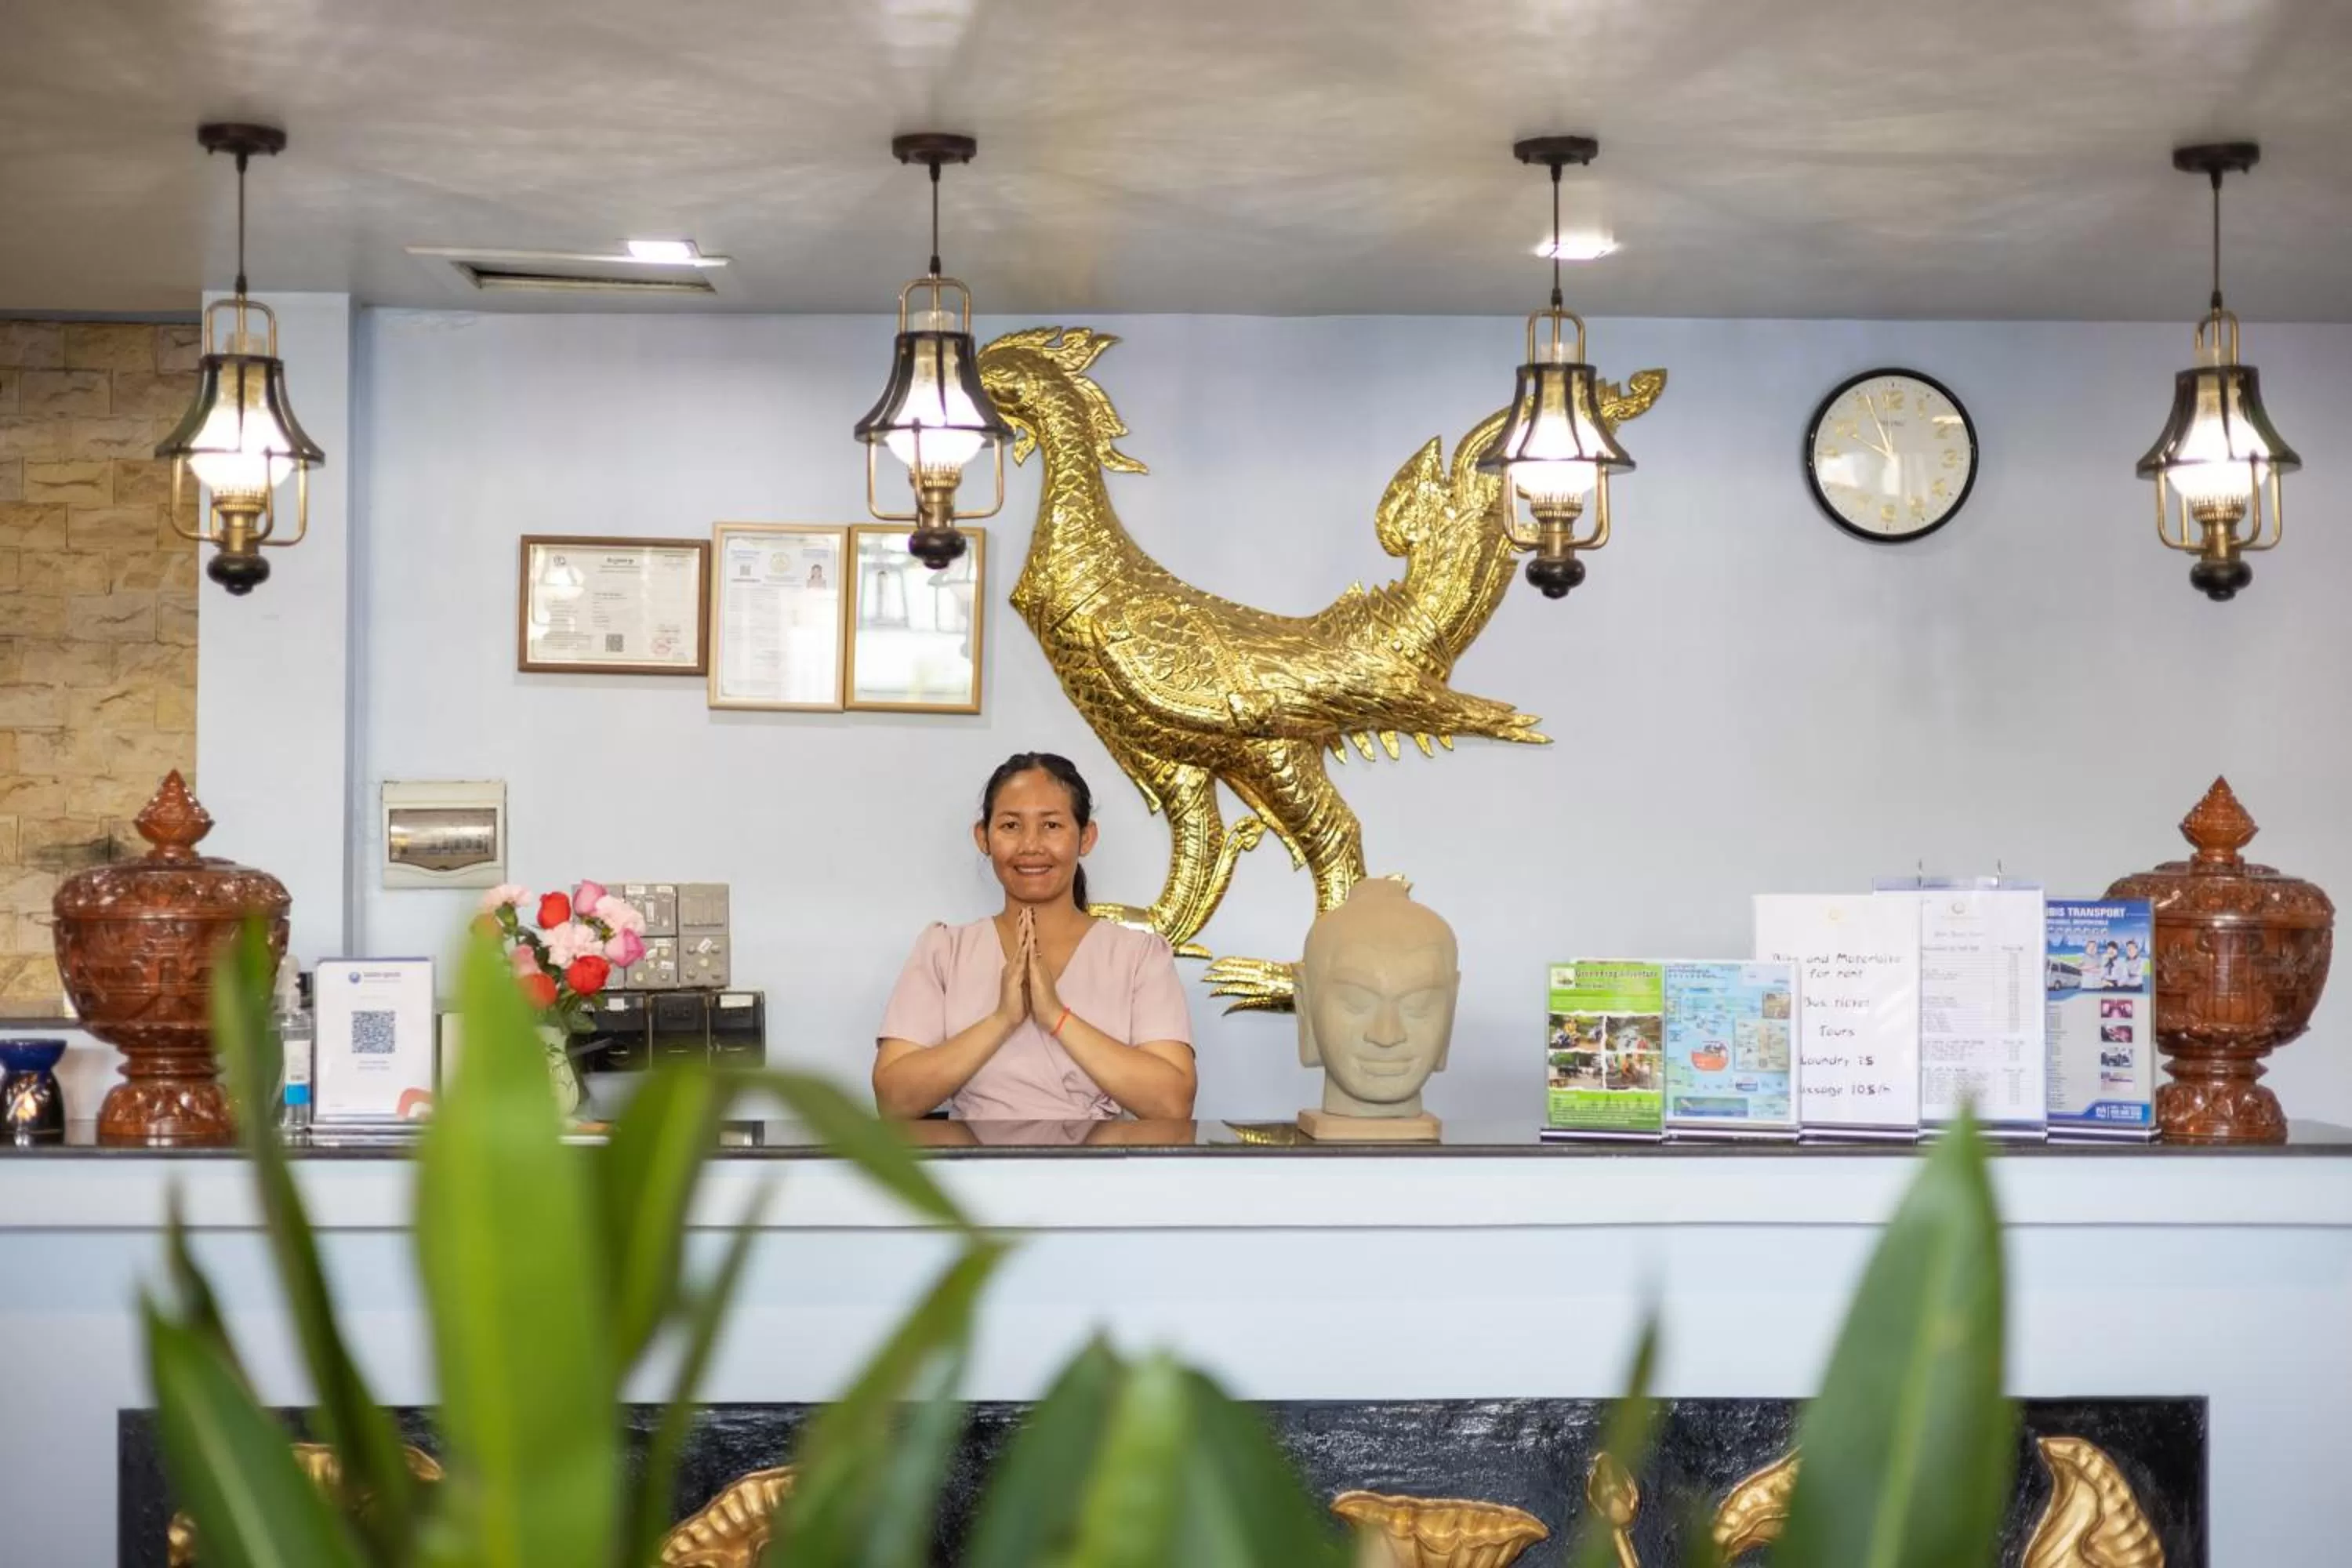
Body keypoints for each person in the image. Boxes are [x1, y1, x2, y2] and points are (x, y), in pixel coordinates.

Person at [874, 753, 1196, 1121]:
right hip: (969, 1158)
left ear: (1086, 837)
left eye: (1052, 826)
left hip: (1100, 1158)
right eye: (1011, 826)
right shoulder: (944, 951)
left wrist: (1056, 1016)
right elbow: (894, 1101)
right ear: (983, 837)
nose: (1030, 845)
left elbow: (1173, 1104)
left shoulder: (1139, 956)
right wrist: (1002, 1019)